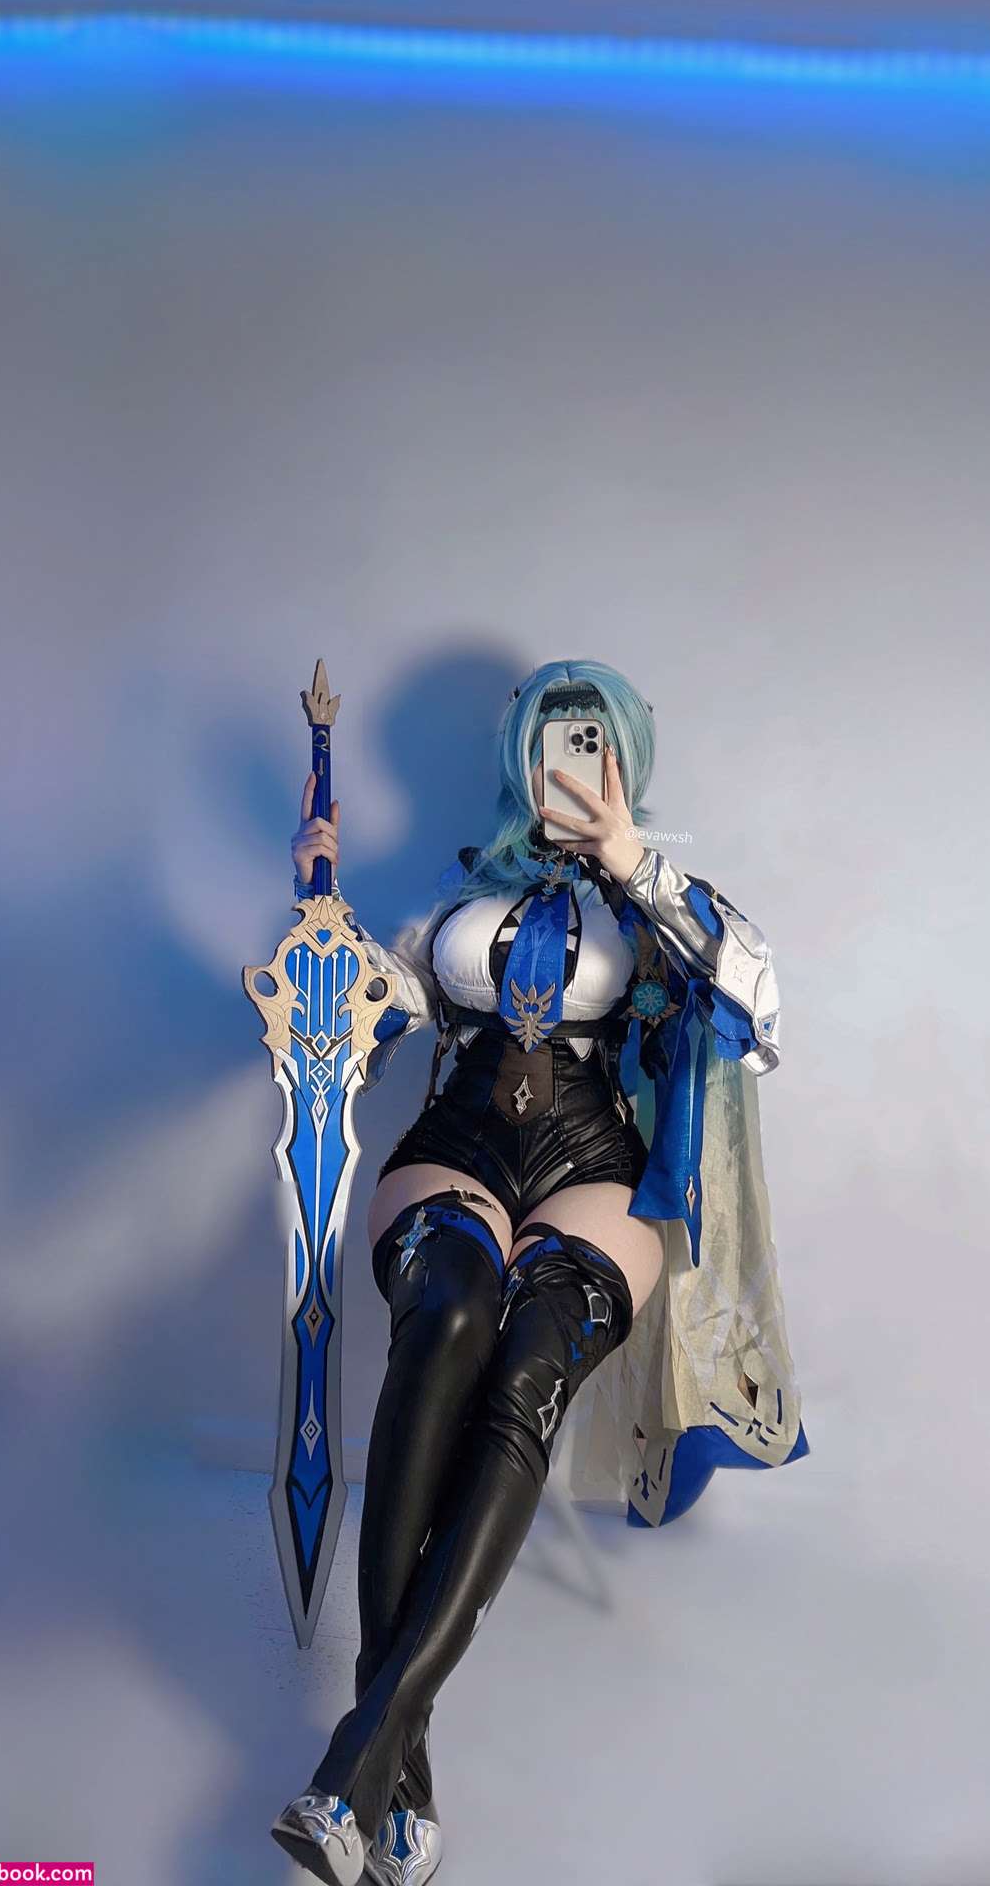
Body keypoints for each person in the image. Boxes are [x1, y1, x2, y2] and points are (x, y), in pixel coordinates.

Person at [271, 660, 808, 1886]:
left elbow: (759, 1007)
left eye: (595, 741)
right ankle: (390, 1770)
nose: (574, 762)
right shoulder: (459, 898)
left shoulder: (656, 892)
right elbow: (367, 1022)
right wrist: (321, 909)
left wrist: (631, 861)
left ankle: (358, 1760)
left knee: (529, 1363)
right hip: (456, 1146)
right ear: (523, 756)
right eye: (555, 741)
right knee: (449, 1314)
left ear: (625, 757)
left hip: (591, 1162)